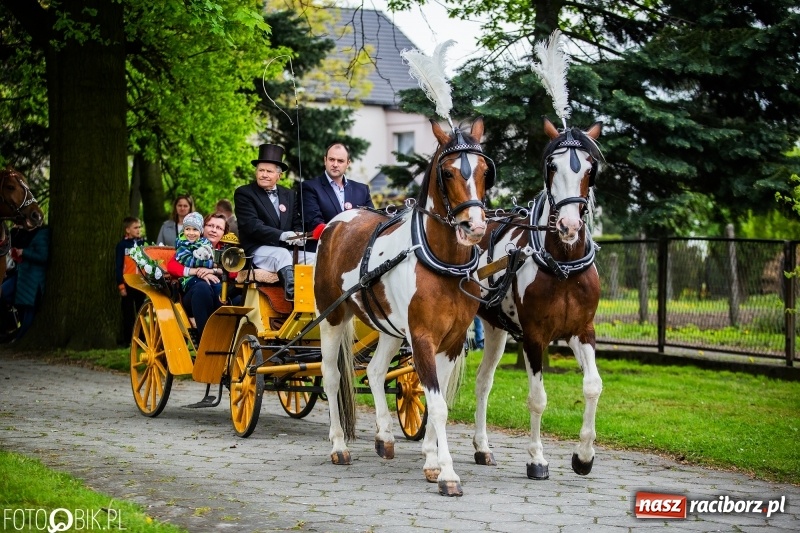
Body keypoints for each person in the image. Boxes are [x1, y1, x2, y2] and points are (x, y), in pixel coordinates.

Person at [234, 143, 310, 301]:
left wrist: (298, 235)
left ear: (279, 176)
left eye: (269, 171)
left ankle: (322, 299)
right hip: (257, 250)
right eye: (261, 170)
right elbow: (252, 226)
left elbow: (296, 221)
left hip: (285, 249)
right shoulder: (244, 193)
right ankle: (295, 300)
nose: (264, 175)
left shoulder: (289, 194)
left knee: (314, 258)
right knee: (281, 255)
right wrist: (282, 235)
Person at [165, 212, 231, 339]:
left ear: (224, 233)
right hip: (193, 294)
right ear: (203, 228)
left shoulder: (225, 250)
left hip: (217, 292)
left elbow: (235, 271)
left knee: (232, 295)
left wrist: (213, 270)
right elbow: (172, 266)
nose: (213, 230)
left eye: (219, 228)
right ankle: (205, 339)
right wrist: (196, 271)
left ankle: (226, 338)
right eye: (210, 225)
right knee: (202, 288)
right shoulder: (188, 245)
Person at [301, 142, 374, 252]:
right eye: (331, 159)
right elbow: (315, 223)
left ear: (348, 163)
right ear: (325, 160)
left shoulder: (362, 190)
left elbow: (372, 221)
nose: (335, 164)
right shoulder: (309, 187)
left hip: (357, 253)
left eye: (340, 161)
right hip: (323, 253)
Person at [0, 225, 49, 341]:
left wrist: (24, 253)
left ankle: (21, 336)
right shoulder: (22, 233)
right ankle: (10, 331)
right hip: (22, 275)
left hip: (32, 278)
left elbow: (43, 256)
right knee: (14, 300)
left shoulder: (41, 234)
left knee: (28, 309)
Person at [115, 216, 145, 344]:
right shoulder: (122, 245)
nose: (138, 230)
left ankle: (143, 338)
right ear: (127, 230)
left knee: (141, 312)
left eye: (139, 227)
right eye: (135, 227)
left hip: (141, 283)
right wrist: (121, 285)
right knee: (128, 313)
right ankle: (129, 339)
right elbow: (118, 266)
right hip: (127, 283)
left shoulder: (143, 243)